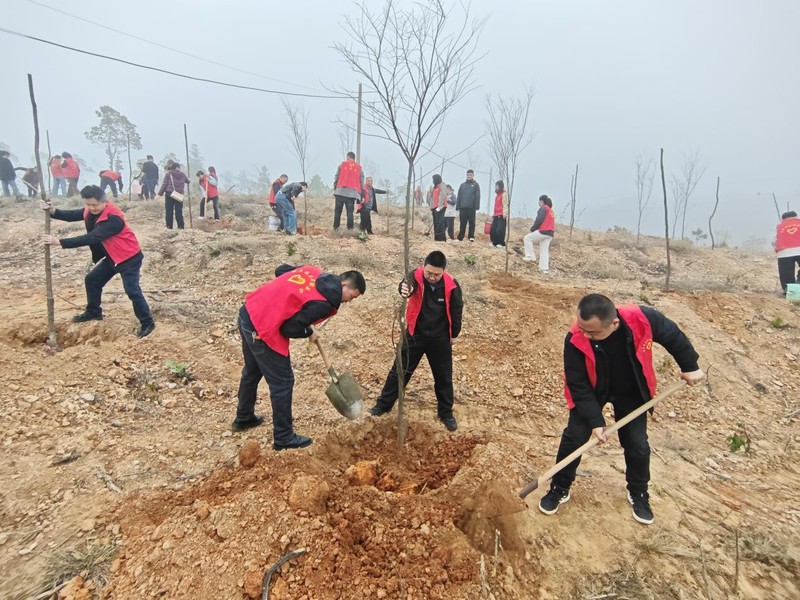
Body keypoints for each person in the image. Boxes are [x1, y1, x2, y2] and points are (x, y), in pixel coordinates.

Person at [539, 293, 704, 525]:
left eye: (592, 332)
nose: (585, 335)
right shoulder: (575, 337)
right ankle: (559, 486)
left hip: (630, 389)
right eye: (582, 328)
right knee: (574, 436)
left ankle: (639, 492)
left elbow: (673, 336)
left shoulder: (642, 318)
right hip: (593, 390)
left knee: (636, 443)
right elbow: (577, 384)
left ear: (613, 323)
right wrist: (595, 422)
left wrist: (690, 365)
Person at [233, 265, 366, 450]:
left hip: (249, 312)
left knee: (252, 371)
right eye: (352, 296)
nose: (349, 301)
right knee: (283, 382)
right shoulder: (324, 304)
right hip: (262, 329)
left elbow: (281, 270)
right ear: (344, 285)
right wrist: (308, 331)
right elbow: (288, 329)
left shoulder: (313, 271)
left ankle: (244, 417)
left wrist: (297, 307)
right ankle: (283, 437)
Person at [40, 185, 155, 338]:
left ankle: (147, 323)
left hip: (128, 258)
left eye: (94, 205)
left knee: (132, 290)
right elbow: (73, 214)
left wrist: (60, 242)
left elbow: (92, 237)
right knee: (92, 280)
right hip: (113, 257)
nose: (91, 208)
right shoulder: (90, 210)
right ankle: (94, 312)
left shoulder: (114, 219)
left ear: (104, 201)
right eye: (88, 204)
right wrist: (53, 211)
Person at [369, 250, 464, 431]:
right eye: (429, 273)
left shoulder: (452, 285)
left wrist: (455, 334)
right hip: (415, 334)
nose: (432, 277)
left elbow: (457, 309)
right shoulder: (415, 276)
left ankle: (445, 413)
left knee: (444, 377)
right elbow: (405, 286)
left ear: (443, 271)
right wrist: (404, 289)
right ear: (423, 266)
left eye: (437, 274)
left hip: (440, 337)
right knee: (399, 371)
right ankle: (383, 405)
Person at [523, 195, 555, 273]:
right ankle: (544, 269)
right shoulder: (550, 210)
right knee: (544, 250)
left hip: (543, 231)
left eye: (539, 201)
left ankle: (530, 256)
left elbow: (539, 220)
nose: (538, 203)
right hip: (550, 233)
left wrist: (533, 229)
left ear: (542, 201)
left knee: (527, 238)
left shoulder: (543, 208)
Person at [333, 151, 364, 230]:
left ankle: (335, 229)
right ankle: (350, 229)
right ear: (354, 158)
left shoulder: (342, 165)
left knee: (337, 212)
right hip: (352, 194)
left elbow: (337, 176)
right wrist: (362, 193)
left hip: (340, 192)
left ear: (348, 157)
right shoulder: (359, 168)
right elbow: (361, 181)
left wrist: (335, 187)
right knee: (350, 213)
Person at [158, 162, 190, 229]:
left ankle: (169, 227)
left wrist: (159, 194)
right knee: (179, 212)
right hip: (179, 195)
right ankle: (181, 227)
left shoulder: (168, 173)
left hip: (169, 193)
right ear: (177, 167)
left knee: (169, 212)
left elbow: (164, 184)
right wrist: (189, 179)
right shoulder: (182, 174)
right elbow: (188, 181)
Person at [774, 211, 800, 294]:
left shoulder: (779, 226)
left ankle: (790, 292)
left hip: (784, 253)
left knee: (786, 275)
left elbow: (774, 241)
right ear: (796, 217)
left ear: (783, 219)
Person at [456, 169, 480, 242]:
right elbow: (459, 196)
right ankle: (460, 237)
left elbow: (477, 196)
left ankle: (471, 237)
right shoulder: (462, 185)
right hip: (463, 207)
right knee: (462, 223)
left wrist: (477, 206)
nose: (469, 176)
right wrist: (458, 206)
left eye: (470, 175)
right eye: (468, 175)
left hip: (471, 207)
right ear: (466, 175)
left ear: (473, 175)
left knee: (471, 223)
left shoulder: (475, 185)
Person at [489, 180, 508, 248]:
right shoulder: (497, 195)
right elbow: (496, 205)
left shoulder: (504, 194)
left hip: (501, 214)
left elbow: (505, 204)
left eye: (497, 186)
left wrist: (505, 213)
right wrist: (494, 213)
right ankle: (494, 242)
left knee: (500, 229)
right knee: (493, 229)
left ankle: (501, 243)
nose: (496, 187)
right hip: (496, 214)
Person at [430, 174, 447, 242]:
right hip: (434, 207)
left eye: (433, 179)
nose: (432, 181)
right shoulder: (435, 187)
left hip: (440, 206)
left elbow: (443, 194)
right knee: (436, 222)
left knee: (440, 222)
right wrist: (432, 207)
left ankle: (441, 238)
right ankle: (437, 238)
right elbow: (433, 198)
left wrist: (440, 205)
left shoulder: (442, 185)